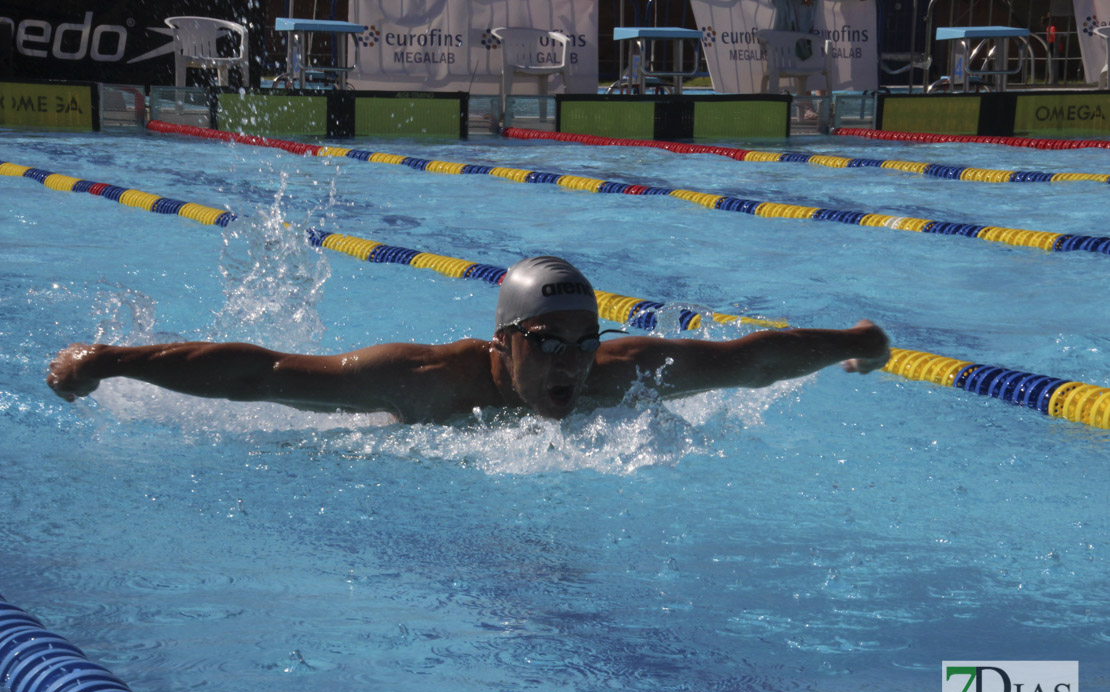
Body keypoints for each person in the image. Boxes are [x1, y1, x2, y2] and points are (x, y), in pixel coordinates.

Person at [47, 256, 890, 424]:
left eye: (587, 341)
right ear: (506, 342)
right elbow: (262, 375)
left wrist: (860, 339)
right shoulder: (421, 380)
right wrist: (113, 361)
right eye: (551, 345)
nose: (574, 362)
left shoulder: (617, 374)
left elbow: (751, 362)